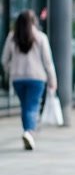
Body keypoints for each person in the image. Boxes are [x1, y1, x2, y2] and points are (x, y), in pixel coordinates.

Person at [2, 9, 56, 150]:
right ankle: (29, 132)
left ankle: (28, 131)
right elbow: (48, 62)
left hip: (18, 79)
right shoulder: (41, 37)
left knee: (26, 106)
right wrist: (52, 80)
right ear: (34, 22)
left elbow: (4, 60)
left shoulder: (12, 37)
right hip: (37, 79)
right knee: (32, 107)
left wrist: (11, 70)